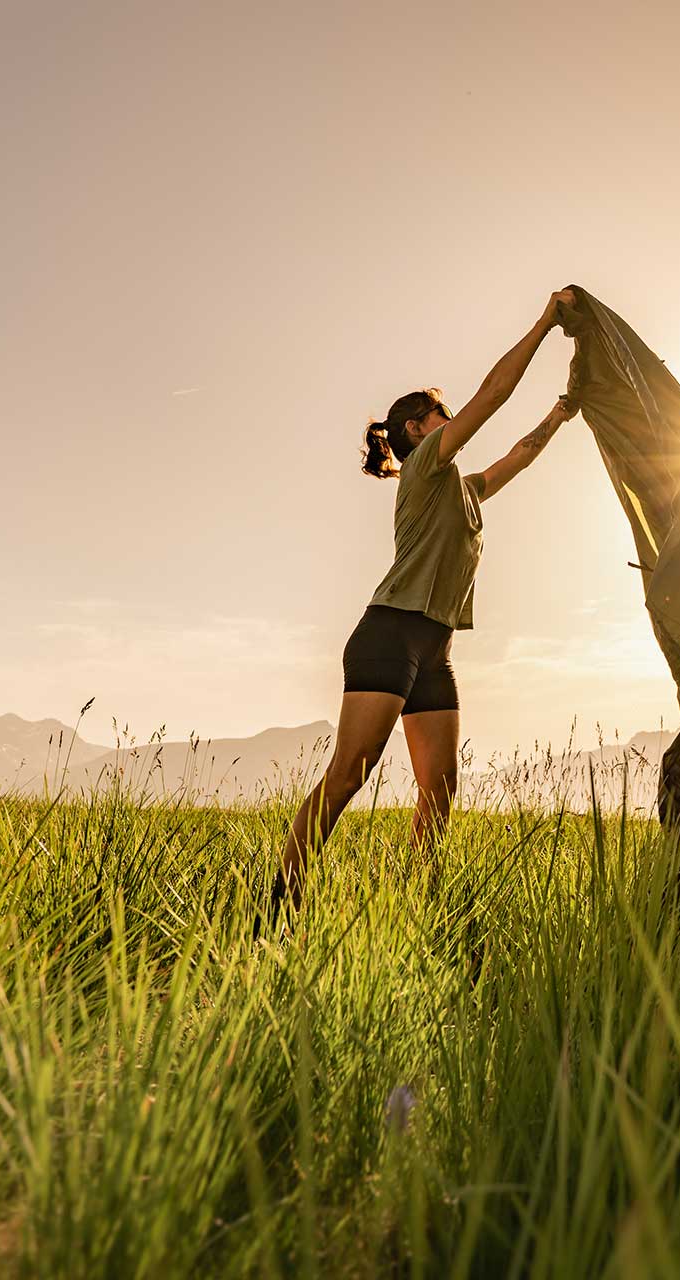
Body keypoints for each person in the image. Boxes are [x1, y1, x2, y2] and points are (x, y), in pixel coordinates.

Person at [271, 288, 578, 914]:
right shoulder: (423, 469)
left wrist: (562, 410)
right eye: (443, 414)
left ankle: (421, 907)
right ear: (418, 430)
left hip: (433, 648)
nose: (453, 420)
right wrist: (546, 321)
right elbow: (491, 399)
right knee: (350, 773)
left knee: (439, 791)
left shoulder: (459, 488)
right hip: (389, 636)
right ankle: (279, 898)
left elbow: (518, 456)